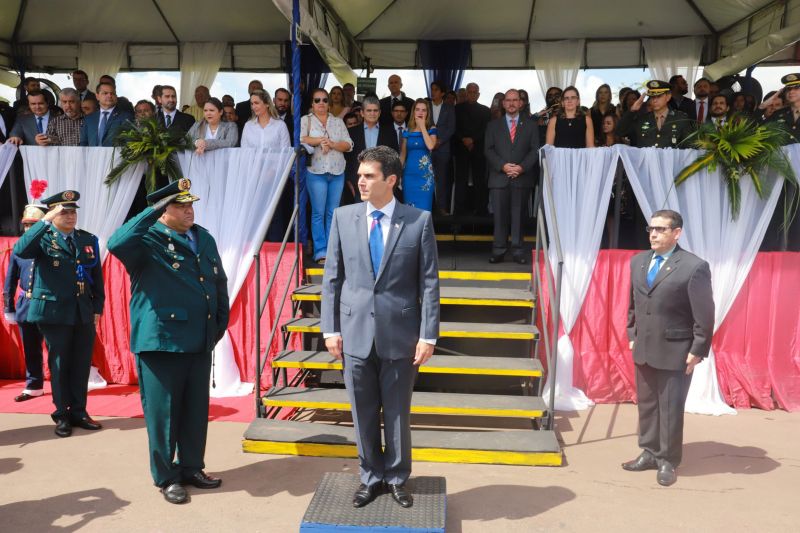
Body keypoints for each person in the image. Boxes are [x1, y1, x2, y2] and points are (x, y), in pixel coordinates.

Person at [321, 145, 439, 509]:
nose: (361, 182)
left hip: (400, 336)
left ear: (391, 180)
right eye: (359, 176)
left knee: (398, 413)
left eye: (369, 176)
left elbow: (429, 282)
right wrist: (330, 329)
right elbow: (332, 278)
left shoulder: (418, 220)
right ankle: (371, 476)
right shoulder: (343, 217)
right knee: (363, 411)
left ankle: (398, 477)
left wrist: (427, 335)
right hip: (354, 334)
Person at [107, 179, 229, 505]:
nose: (189, 210)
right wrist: (151, 211)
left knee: (194, 410)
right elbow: (116, 242)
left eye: (191, 204)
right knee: (164, 413)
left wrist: (218, 324)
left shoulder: (202, 237)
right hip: (161, 341)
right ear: (163, 211)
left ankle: (191, 467)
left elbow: (218, 282)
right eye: (180, 205)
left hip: (199, 339)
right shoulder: (146, 240)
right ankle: (166, 476)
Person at [624, 209, 714, 487]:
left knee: (671, 407)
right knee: (648, 405)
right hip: (644, 347)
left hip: (676, 349)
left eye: (661, 229)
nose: (653, 234)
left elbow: (705, 313)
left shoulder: (693, 266)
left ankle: (668, 460)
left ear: (677, 233)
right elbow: (633, 304)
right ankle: (649, 452)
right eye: (651, 228)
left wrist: (698, 349)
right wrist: (631, 333)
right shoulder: (638, 262)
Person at [12, 190, 105, 438]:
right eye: (64, 212)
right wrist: (43, 221)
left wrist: (97, 307)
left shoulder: (87, 239)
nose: (71, 216)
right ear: (52, 213)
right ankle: (61, 414)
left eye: (73, 212)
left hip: (82, 310)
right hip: (54, 311)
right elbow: (20, 250)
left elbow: (97, 277)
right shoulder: (42, 237)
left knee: (81, 363)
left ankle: (79, 411)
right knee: (60, 363)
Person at [485, 89, 539, 264]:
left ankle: (517, 251)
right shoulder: (493, 125)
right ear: (503, 103)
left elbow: (534, 150)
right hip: (499, 177)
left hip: (521, 178)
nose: (511, 103)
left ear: (521, 103)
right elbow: (488, 150)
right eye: (508, 100)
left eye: (515, 100)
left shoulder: (531, 125)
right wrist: (503, 166)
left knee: (518, 217)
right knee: (499, 217)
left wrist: (522, 168)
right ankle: (498, 250)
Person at [301, 88, 353, 263]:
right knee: (318, 213)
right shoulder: (305, 121)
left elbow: (348, 144)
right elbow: (301, 139)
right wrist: (319, 141)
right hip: (316, 172)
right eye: (317, 100)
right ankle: (320, 251)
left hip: (337, 171)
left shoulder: (338, 122)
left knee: (333, 213)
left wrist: (331, 144)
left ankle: (332, 250)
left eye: (324, 100)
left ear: (329, 102)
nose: (321, 103)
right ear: (312, 103)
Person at [3, 203, 48, 402]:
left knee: (58, 348)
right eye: (27, 225)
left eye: (34, 224)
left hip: (49, 305)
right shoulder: (18, 249)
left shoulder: (51, 247)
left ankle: (65, 387)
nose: (29, 229)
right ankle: (34, 385)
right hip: (26, 304)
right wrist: (8, 308)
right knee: (30, 349)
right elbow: (10, 280)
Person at [344, 96, 398, 202]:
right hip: (359, 183)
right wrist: (350, 181)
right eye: (369, 110)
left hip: (382, 182)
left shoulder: (390, 132)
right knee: (361, 216)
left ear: (379, 112)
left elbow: (394, 157)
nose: (372, 113)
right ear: (362, 113)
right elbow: (347, 160)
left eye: (375, 110)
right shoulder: (351, 133)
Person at [617, 80, 691, 148]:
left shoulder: (681, 118)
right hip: (647, 162)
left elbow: (688, 147)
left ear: (668, 97)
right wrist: (632, 111)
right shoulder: (642, 120)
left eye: (658, 96)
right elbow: (620, 131)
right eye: (652, 96)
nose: (654, 100)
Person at [453, 82, 491, 214]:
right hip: (461, 148)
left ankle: (481, 211)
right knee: (460, 181)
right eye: (470, 92)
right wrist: (464, 139)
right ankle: (459, 213)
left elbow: (485, 129)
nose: (472, 94)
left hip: (478, 149)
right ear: (466, 93)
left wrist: (472, 140)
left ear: (478, 94)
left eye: (475, 92)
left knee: (479, 181)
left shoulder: (486, 111)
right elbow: (454, 128)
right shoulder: (456, 109)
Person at [400, 99, 437, 212]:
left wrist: (422, 127)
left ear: (427, 113)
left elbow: (431, 146)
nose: (420, 112)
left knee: (424, 210)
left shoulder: (432, 129)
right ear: (413, 112)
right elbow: (402, 155)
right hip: (409, 176)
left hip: (424, 176)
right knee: (409, 211)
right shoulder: (407, 130)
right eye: (417, 109)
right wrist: (397, 172)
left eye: (424, 110)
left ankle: (424, 230)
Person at [79, 81, 134, 147]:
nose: (109, 96)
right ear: (97, 96)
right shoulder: (89, 119)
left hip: (115, 157)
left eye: (112, 93)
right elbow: (83, 143)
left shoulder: (126, 117)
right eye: (105, 93)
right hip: (93, 156)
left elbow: (129, 142)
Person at [429, 80, 456, 214]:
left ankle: (442, 208)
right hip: (427, 148)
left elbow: (451, 128)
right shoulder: (426, 106)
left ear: (442, 93)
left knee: (442, 180)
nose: (433, 92)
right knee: (427, 178)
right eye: (432, 89)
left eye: (436, 90)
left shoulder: (449, 108)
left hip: (443, 148)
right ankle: (428, 206)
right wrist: (430, 141)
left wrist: (439, 141)